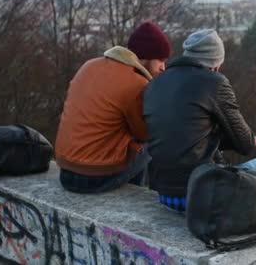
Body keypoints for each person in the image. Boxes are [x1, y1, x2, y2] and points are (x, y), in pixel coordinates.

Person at [144, 29, 256, 212]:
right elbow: (244, 145)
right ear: (215, 64)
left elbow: (187, 137)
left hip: (167, 197)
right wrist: (250, 140)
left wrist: (246, 139)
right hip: (201, 196)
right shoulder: (214, 82)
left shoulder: (155, 84)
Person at [55, 22, 170, 193]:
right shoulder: (137, 83)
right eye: (160, 60)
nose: (163, 67)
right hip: (93, 177)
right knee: (152, 144)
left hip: (65, 169)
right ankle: (137, 201)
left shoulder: (89, 65)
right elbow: (144, 133)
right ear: (145, 57)